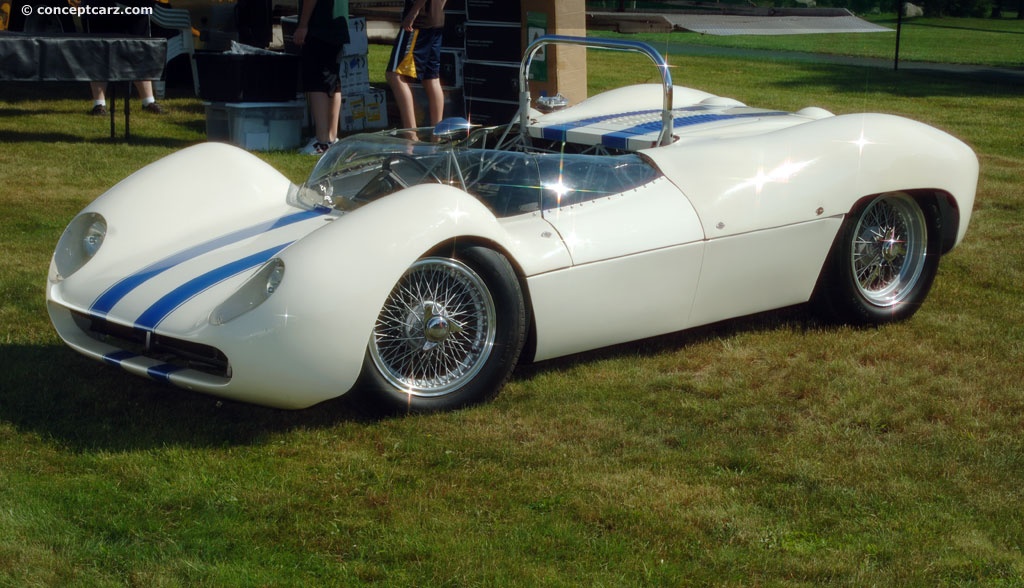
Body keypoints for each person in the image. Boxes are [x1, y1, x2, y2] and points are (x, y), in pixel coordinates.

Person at [83, 0, 164, 115]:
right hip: (100, 8)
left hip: (135, 9)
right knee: (99, 53)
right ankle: (99, 104)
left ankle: (148, 101)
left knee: (139, 51)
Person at [294, 0, 349, 155]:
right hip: (337, 28)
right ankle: (331, 137)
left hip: (319, 26)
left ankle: (322, 140)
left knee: (316, 83)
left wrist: (303, 24)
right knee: (333, 81)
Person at [386, 0, 447, 134]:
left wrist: (413, 13)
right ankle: (437, 136)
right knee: (431, 78)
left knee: (394, 75)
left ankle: (411, 133)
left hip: (419, 22)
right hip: (435, 20)